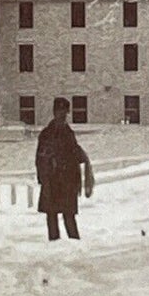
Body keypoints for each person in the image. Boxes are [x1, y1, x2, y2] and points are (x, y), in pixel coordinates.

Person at [35, 95, 92, 241]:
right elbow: (40, 158)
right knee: (52, 215)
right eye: (59, 111)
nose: (62, 115)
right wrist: (43, 179)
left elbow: (73, 151)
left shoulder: (68, 133)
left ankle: (75, 243)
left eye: (65, 112)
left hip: (68, 181)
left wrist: (83, 156)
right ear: (54, 112)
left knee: (69, 216)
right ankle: (54, 244)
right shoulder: (47, 134)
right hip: (52, 180)